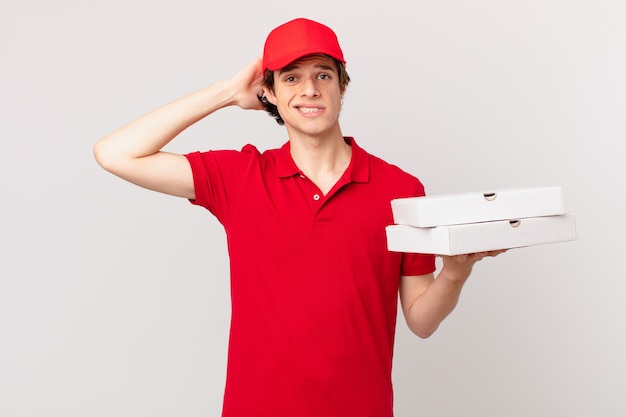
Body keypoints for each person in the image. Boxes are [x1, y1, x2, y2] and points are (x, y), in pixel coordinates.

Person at [94, 17, 504, 417]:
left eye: (323, 75)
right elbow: (115, 154)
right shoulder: (240, 178)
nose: (309, 89)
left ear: (342, 87)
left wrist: (454, 273)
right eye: (291, 77)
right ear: (267, 92)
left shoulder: (400, 189)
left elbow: (421, 320)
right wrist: (226, 92)